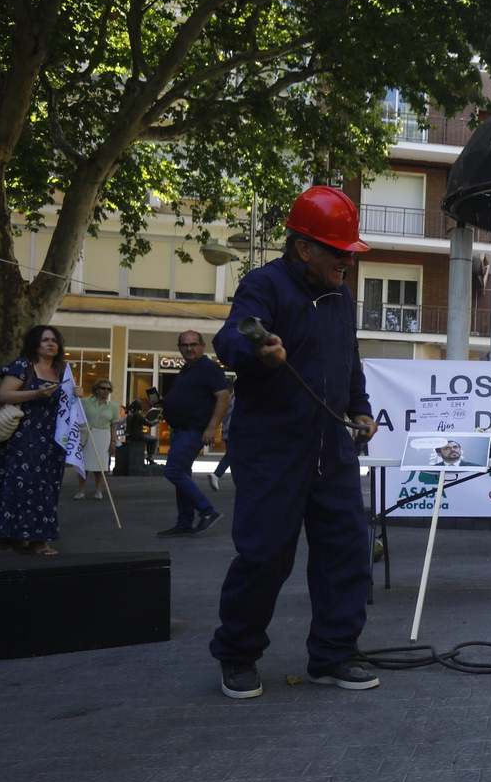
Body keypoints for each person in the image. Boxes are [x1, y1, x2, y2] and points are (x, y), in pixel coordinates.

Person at [208, 185, 379, 699]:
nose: (347, 261)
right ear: (304, 247)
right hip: (272, 447)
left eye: (350, 253)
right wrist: (259, 349)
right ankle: (237, 655)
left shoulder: (341, 296)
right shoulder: (265, 284)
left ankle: (333, 654)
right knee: (265, 555)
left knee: (347, 550)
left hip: (332, 445)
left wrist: (361, 408)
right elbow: (231, 336)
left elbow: (348, 361)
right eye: (339, 251)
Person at [0, 325, 71, 555]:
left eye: (54, 340)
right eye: (45, 340)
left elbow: (67, 406)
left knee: (48, 487)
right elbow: (4, 394)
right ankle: (37, 540)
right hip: (24, 438)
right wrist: (36, 393)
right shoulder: (22, 366)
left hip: (53, 440)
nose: (50, 344)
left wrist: (76, 394)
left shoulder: (63, 370)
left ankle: (16, 537)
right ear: (35, 344)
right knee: (24, 485)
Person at [157, 331, 230, 537]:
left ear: (203, 346)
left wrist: (211, 427)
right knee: (182, 474)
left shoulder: (208, 367)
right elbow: (191, 397)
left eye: (194, 344)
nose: (190, 348)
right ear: (179, 347)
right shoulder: (188, 369)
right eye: (185, 345)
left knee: (173, 471)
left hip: (194, 430)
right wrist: (165, 403)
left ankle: (208, 511)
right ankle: (184, 523)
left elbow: (223, 398)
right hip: (182, 430)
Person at [74, 379, 121, 500]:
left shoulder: (113, 406)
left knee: (101, 465)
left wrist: (113, 442)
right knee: (83, 464)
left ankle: (98, 490)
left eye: (108, 389)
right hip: (87, 434)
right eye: (103, 388)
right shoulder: (84, 402)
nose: (106, 391)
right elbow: (76, 416)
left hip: (104, 435)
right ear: (96, 389)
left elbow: (114, 425)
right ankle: (81, 490)